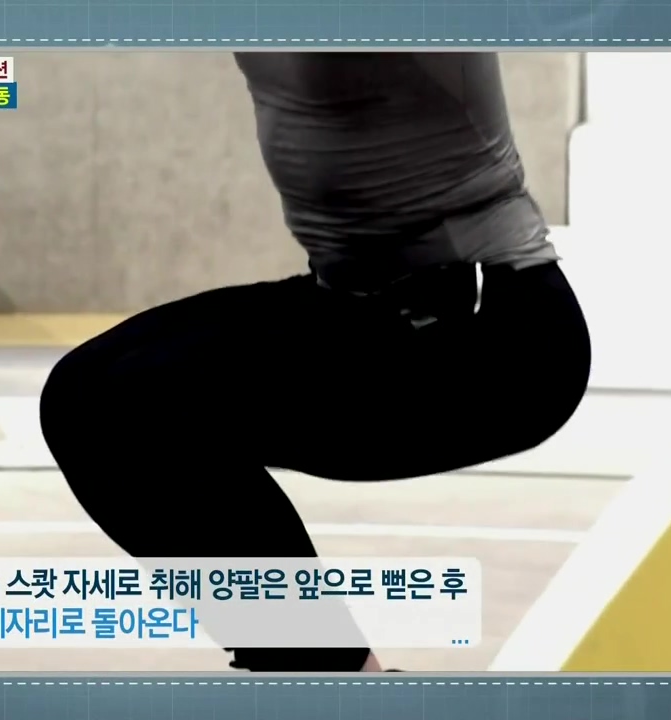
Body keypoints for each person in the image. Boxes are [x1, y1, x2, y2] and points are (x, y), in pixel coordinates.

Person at [38, 52, 592, 673]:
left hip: (491, 335)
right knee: (85, 396)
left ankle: (329, 681)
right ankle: (335, 678)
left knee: (131, 404)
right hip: (362, 308)